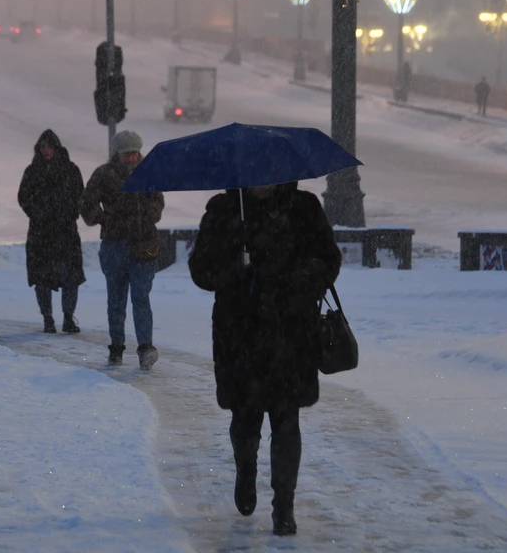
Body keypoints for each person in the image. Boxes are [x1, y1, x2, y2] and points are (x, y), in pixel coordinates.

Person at [188, 182, 342, 537]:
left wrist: (296, 280)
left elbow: (328, 259)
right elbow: (200, 269)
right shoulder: (224, 210)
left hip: (290, 333)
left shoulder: (303, 208)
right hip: (239, 335)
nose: (262, 184)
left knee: (287, 421)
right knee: (245, 420)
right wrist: (234, 271)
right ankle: (246, 471)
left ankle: (284, 506)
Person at [80, 130, 164, 369]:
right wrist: (107, 219)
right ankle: (116, 347)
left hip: (144, 245)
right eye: (126, 154)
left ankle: (145, 348)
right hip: (115, 245)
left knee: (140, 297)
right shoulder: (103, 174)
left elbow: (158, 202)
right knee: (116, 299)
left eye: (134, 153)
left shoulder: (148, 172)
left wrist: (148, 215)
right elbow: (86, 205)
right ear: (117, 154)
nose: (131, 158)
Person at [18, 130, 86, 334]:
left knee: (70, 276)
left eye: (49, 147)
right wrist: (38, 214)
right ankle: (47, 318)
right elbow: (24, 197)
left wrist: (68, 214)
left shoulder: (71, 170)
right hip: (41, 233)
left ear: (56, 148)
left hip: (65, 232)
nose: (46, 151)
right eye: (43, 147)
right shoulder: (32, 171)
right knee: (42, 277)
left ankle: (67, 317)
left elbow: (80, 197)